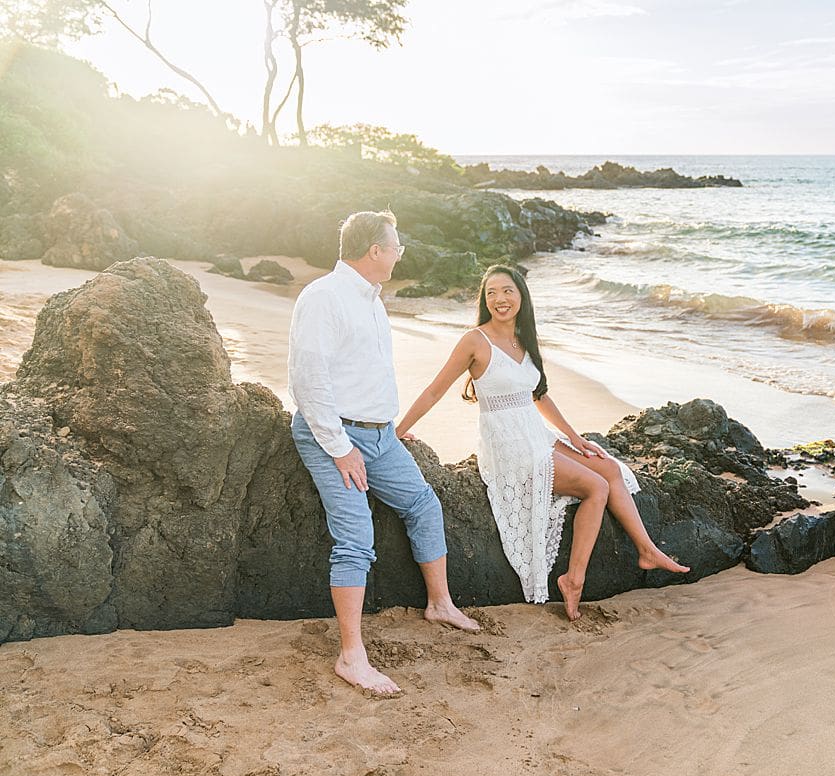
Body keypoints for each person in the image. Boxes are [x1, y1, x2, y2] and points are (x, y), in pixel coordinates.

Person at [396, 265, 689, 621]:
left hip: (536, 435)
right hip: (508, 446)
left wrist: (575, 437)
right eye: (491, 293)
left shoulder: (525, 338)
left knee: (609, 468)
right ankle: (573, 580)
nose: (499, 299)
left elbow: (539, 396)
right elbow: (434, 389)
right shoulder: (476, 340)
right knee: (595, 487)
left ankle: (646, 549)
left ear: (521, 295)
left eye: (506, 291)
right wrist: (398, 430)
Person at [288, 210, 479, 696]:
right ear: (375, 250)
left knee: (423, 503)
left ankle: (440, 603)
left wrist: (386, 428)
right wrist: (340, 448)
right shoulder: (323, 297)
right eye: (396, 246)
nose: (400, 254)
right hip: (333, 436)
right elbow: (308, 382)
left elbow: (363, 372)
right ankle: (351, 657)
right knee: (356, 538)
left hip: (379, 435)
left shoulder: (372, 300)